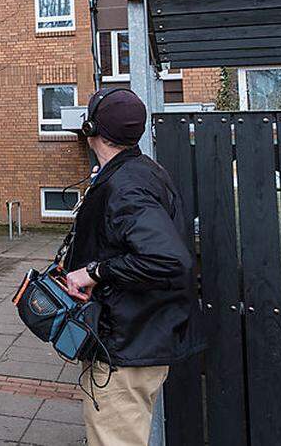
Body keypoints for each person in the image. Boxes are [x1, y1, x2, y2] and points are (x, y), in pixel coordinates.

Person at [62, 88, 203, 446]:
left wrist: (94, 272)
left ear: (91, 127)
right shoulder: (134, 173)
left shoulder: (126, 186)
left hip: (125, 348)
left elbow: (168, 258)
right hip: (136, 338)